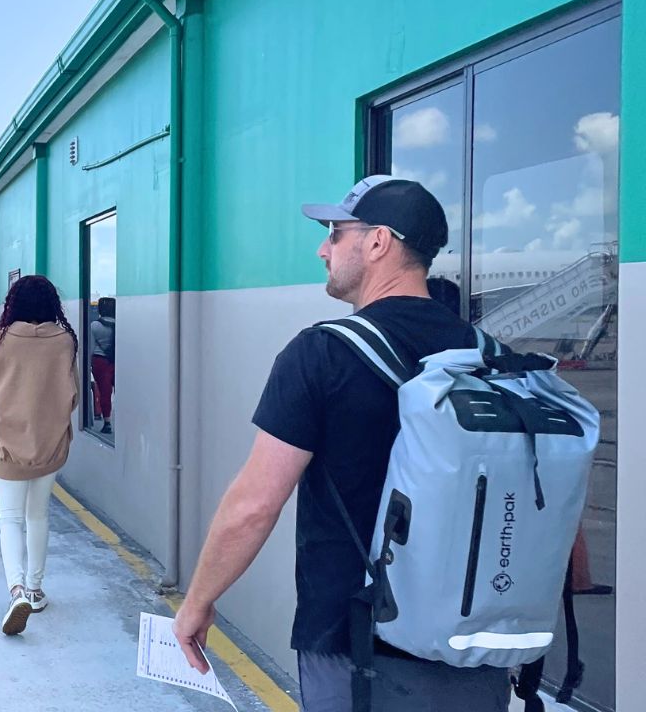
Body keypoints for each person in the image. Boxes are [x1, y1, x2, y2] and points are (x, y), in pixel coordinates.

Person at [173, 176, 511, 711]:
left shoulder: (321, 354)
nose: (322, 248)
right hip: (477, 644)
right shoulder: (492, 357)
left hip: (360, 647)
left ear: (378, 242)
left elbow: (254, 506)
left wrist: (197, 602)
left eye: (335, 232)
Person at [0, 275, 79, 636]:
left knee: (9, 518)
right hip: (50, 443)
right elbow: (73, 393)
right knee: (38, 516)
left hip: (6, 441)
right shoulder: (65, 341)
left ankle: (16, 590)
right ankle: (36, 590)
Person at [89, 297, 115, 434]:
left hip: (100, 361)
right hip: (116, 361)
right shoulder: (119, 324)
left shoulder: (95, 326)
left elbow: (91, 347)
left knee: (105, 392)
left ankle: (107, 422)